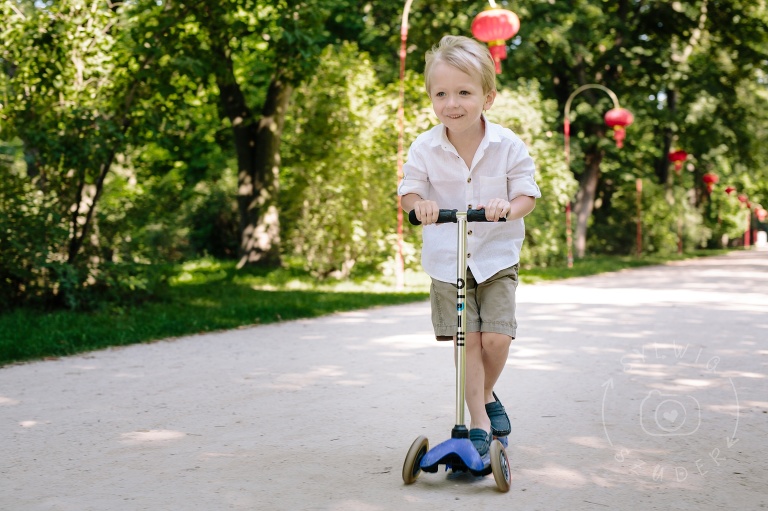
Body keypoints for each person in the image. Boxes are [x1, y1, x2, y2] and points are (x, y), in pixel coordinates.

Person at [398, 35, 541, 457]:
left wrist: (507, 208)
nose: (452, 103)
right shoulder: (424, 147)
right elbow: (409, 192)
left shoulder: (508, 145)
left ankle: (487, 395)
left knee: (496, 340)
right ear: (431, 98)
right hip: (448, 261)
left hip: (496, 259)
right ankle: (479, 421)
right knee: (468, 342)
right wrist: (420, 205)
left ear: (488, 97)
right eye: (441, 94)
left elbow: (527, 195)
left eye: (464, 92)